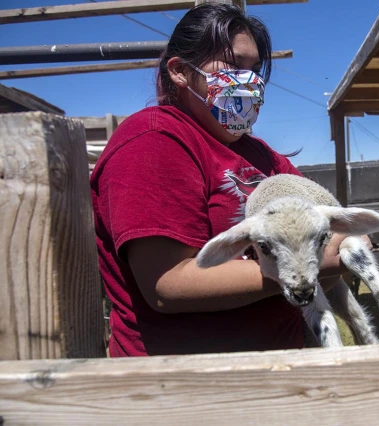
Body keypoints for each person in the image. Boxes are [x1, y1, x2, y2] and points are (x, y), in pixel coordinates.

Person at [90, 3, 350, 357]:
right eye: (233, 66)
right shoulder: (153, 141)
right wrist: (312, 267)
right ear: (181, 71)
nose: (251, 82)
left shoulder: (261, 155)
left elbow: (332, 223)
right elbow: (171, 283)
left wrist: (331, 252)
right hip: (190, 384)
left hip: (281, 365)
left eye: (255, 70)